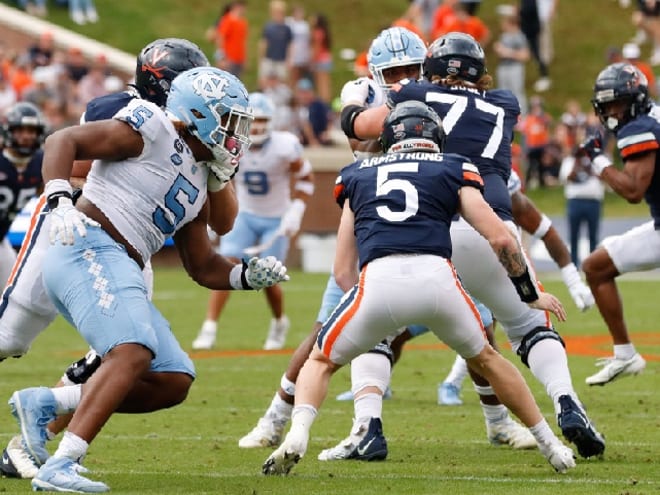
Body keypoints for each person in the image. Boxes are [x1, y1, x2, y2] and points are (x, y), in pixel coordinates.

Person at [9, 66, 289, 493]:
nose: (237, 134)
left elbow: (201, 264)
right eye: (231, 120)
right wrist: (60, 198)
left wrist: (243, 275)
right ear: (201, 114)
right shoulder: (152, 128)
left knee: (172, 379)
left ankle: (46, 403)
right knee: (131, 350)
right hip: (86, 246)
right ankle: (62, 463)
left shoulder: (200, 180)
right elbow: (63, 140)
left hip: (124, 263)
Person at [262, 100, 576, 476]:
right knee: (489, 360)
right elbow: (501, 239)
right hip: (438, 279)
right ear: (435, 135)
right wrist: (529, 294)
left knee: (320, 360)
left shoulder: (357, 174)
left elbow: (342, 267)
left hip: (379, 279)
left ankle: (297, 434)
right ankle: (551, 445)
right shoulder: (454, 166)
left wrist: (366, 312)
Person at [339, 32, 605, 460]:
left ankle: (369, 425)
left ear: (432, 70)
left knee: (380, 329)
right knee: (530, 326)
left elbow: (359, 130)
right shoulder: (504, 103)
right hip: (491, 225)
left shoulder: (416, 92)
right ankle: (566, 402)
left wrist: (351, 103)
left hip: (431, 229)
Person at [237, 25, 427, 452]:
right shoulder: (366, 93)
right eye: (395, 71)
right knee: (325, 332)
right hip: (372, 225)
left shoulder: (438, 97)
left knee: (482, 325)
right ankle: (275, 418)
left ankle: (500, 420)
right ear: (378, 73)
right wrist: (410, 102)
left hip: (427, 226)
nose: (404, 77)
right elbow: (356, 130)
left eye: (412, 69)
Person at [437, 167, 595, 404]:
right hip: (447, 268)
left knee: (481, 334)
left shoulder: (494, 181)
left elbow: (545, 230)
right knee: (493, 333)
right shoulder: (445, 172)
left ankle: (462, 392)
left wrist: (573, 280)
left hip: (465, 268)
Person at [192, 91, 314, 351]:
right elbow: (219, 180)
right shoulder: (231, 144)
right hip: (244, 215)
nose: (257, 126)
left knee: (269, 277)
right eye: (253, 120)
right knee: (225, 263)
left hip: (276, 217)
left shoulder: (285, 145)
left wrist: (296, 211)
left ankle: (280, 322)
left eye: (263, 120)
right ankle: (209, 327)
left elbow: (306, 178)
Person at [580, 62, 655, 386]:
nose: (612, 112)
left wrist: (597, 160)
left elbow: (633, 191)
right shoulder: (651, 117)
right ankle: (625, 354)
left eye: (617, 103)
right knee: (597, 267)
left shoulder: (638, 127)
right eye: (607, 105)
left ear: (634, 100)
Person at [0, 102, 46, 287]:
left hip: (1, 239)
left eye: (31, 131)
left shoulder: (40, 163)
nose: (27, 136)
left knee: (12, 293)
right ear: (9, 131)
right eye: (21, 130)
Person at [559, 145, 605, 268]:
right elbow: (567, 178)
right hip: (575, 201)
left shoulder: (597, 160)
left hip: (593, 201)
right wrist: (576, 162)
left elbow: (603, 177)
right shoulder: (570, 161)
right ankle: (574, 264)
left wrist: (589, 167)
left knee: (593, 235)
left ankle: (593, 264)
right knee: (574, 236)